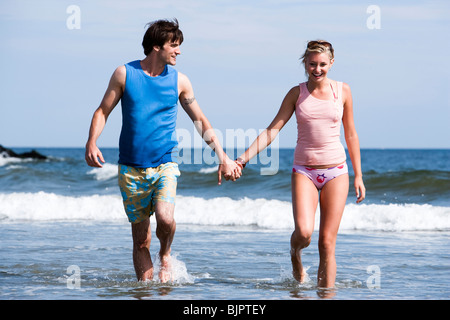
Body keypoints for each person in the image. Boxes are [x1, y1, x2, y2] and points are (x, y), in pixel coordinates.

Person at [85, 19, 241, 283]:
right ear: (156, 46)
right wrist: (92, 141)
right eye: (174, 45)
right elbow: (102, 111)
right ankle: (145, 290)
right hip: (130, 168)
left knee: (165, 219)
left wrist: (223, 157)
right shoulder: (124, 74)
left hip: (164, 164)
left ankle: (166, 253)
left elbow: (201, 121)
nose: (178, 51)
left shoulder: (180, 81)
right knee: (140, 239)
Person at [235, 40, 365, 288]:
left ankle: (325, 294)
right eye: (312, 64)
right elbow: (272, 130)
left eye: (322, 64)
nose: (317, 69)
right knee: (304, 233)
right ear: (304, 63)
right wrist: (243, 159)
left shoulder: (343, 91)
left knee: (327, 242)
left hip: (337, 171)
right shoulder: (297, 94)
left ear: (332, 63)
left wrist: (358, 175)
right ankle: (295, 254)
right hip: (304, 171)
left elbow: (351, 134)